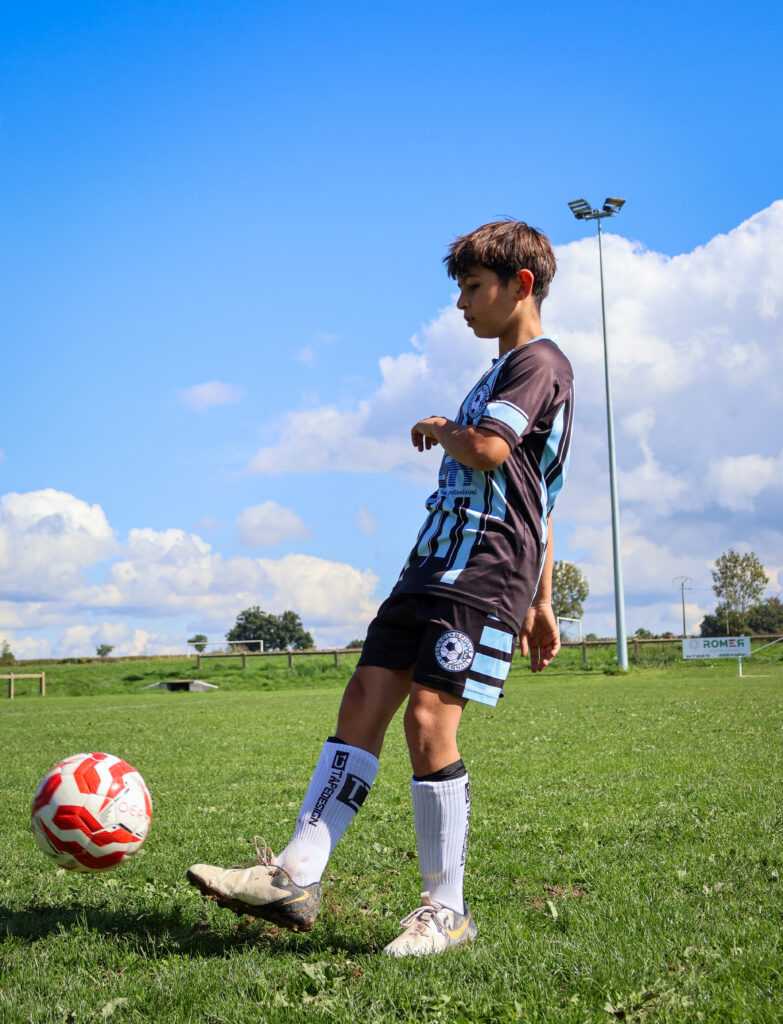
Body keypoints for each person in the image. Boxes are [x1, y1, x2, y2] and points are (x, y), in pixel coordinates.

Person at [187, 219, 574, 957]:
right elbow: (544, 499)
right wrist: (547, 602)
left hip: (485, 570)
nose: (461, 303)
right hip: (431, 564)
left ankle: (446, 911)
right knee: (364, 697)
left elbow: (490, 450)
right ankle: (295, 875)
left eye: (473, 287)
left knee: (428, 721)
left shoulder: (540, 362)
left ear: (520, 285)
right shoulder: (495, 374)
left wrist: (441, 427)